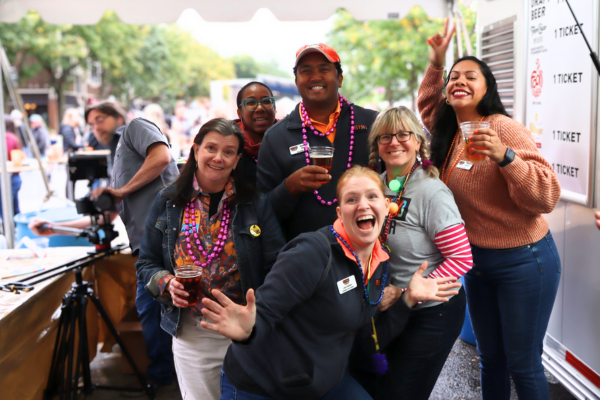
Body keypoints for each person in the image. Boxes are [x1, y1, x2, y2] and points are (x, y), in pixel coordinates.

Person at [200, 166, 462, 400]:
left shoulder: (380, 264)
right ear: (340, 212)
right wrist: (250, 330)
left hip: (322, 384)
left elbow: (369, 342)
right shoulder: (312, 252)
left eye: (372, 196)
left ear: (387, 205)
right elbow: (265, 312)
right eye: (352, 199)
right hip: (262, 385)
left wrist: (408, 300)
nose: (363, 205)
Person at [418, 19, 561, 400]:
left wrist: (506, 157)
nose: (459, 81)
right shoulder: (448, 134)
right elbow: (428, 104)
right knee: (489, 357)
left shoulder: (504, 129)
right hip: (477, 264)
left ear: (487, 89)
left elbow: (546, 197)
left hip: (524, 260)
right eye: (453, 78)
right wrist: (436, 62)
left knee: (523, 362)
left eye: (471, 76)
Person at [136, 118, 285, 400]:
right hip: (193, 332)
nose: (218, 157)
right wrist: (167, 283)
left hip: (245, 331)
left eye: (228, 151)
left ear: (237, 159)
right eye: (211, 148)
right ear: (196, 150)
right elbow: (146, 263)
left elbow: (277, 264)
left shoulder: (256, 203)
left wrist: (259, 317)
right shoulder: (167, 201)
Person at [349, 106, 472, 400]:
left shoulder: (432, 191)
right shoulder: (374, 187)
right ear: (376, 144)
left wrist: (406, 290)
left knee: (400, 392)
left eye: (403, 134)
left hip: (431, 313)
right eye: (385, 136)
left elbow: (462, 257)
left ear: (418, 141)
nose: (394, 142)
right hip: (389, 308)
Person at [257, 43, 378, 241]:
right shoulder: (275, 137)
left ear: (339, 78)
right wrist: (290, 187)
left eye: (324, 69)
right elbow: (261, 211)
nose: (315, 77)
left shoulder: (371, 123)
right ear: (296, 82)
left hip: (364, 251)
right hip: (304, 257)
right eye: (306, 71)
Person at [234, 81, 277, 185]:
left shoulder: (290, 138)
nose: (260, 108)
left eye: (266, 101)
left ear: (275, 108)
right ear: (239, 113)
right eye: (251, 103)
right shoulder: (229, 143)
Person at [0, 116, 23, 220]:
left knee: (6, 210)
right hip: (13, 177)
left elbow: (6, 157)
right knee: (13, 208)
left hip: (9, 177)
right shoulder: (12, 136)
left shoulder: (7, 137)